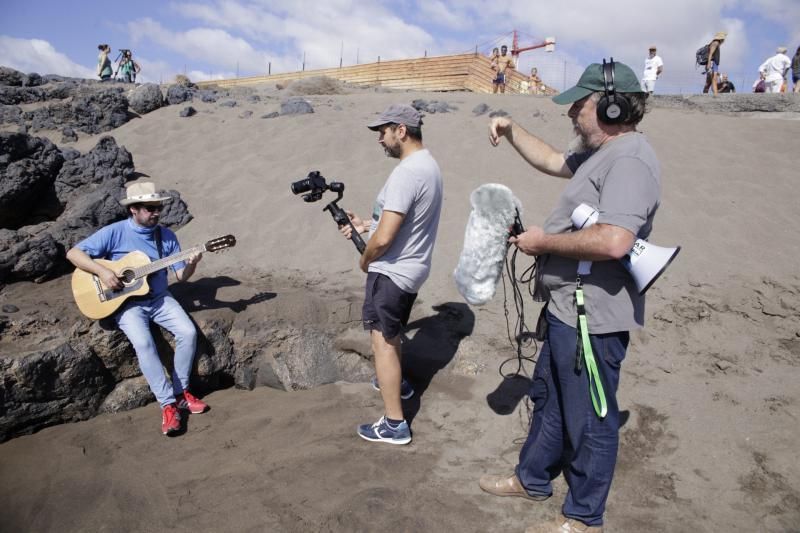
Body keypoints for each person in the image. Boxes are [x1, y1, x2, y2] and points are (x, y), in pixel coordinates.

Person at [479, 59, 660, 533]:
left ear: (612, 106)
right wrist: (512, 129)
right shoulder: (601, 153)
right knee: (551, 400)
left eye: (579, 105)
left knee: (593, 418)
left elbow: (615, 240)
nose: (571, 114)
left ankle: (584, 515)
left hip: (593, 317)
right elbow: (552, 160)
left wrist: (543, 243)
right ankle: (532, 479)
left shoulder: (630, 160)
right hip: (567, 308)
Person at [66, 182, 207, 436]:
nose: (156, 212)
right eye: (150, 208)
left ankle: (180, 392)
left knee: (188, 332)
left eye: (158, 208)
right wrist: (104, 272)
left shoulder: (166, 236)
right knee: (143, 344)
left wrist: (192, 263)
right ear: (133, 209)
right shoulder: (115, 232)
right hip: (128, 303)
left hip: (160, 299)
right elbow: (74, 254)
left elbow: (181, 276)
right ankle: (167, 405)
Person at [340, 104, 443, 445]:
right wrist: (366, 225)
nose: (379, 140)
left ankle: (394, 423)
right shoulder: (428, 166)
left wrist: (366, 258)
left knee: (383, 341)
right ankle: (397, 383)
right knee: (394, 333)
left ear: (401, 130)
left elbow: (385, 239)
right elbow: (400, 223)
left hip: (392, 272)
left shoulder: (407, 172)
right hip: (412, 269)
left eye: (382, 132)